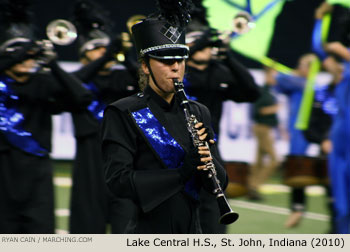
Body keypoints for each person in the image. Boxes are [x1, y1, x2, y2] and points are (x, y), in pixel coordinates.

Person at [101, 0, 228, 234]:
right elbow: (118, 182)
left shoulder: (198, 111)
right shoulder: (122, 112)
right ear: (146, 66)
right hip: (146, 231)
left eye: (180, 60)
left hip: (193, 230)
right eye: (166, 61)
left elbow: (220, 182)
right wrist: (180, 174)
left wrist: (207, 159)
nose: (175, 68)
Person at [0, 0, 92, 233]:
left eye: (32, 55)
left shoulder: (42, 83)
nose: (30, 59)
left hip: (37, 174)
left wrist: (53, 64)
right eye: (24, 55)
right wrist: (26, 50)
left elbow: (82, 98)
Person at [69, 0, 138, 234]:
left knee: (126, 233)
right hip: (88, 164)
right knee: (87, 233)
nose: (103, 53)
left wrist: (126, 58)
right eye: (95, 49)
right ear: (83, 55)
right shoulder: (77, 79)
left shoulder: (122, 79)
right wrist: (104, 57)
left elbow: (147, 86)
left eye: (104, 48)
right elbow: (73, 85)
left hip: (124, 161)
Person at [184, 26, 260, 233]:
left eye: (209, 46)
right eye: (203, 46)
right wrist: (201, 42)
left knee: (213, 204)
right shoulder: (178, 70)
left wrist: (228, 58)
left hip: (209, 146)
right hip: (174, 146)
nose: (208, 50)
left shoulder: (218, 71)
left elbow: (251, 93)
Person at [249, 66, 279, 201]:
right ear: (267, 76)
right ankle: (255, 185)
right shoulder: (263, 92)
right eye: (274, 75)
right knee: (274, 159)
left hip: (266, 128)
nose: (276, 79)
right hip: (262, 128)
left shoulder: (269, 92)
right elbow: (258, 111)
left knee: (259, 160)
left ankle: (251, 187)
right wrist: (274, 108)